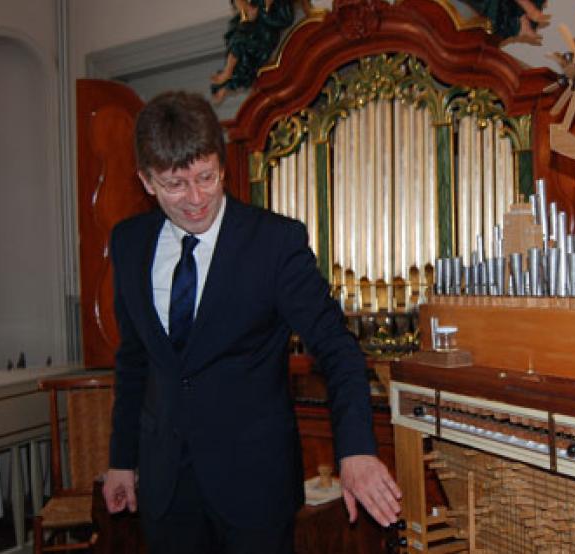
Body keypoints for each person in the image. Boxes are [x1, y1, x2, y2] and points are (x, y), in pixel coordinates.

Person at [101, 90, 401, 553]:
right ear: (146, 180)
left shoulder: (275, 242)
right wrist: (123, 459)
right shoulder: (129, 243)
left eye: (206, 177)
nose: (196, 199)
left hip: (254, 487)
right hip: (166, 487)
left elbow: (336, 347)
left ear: (222, 166)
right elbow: (134, 361)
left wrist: (356, 448)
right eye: (175, 184)